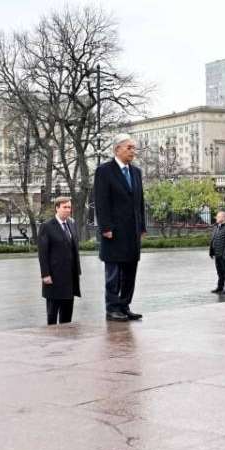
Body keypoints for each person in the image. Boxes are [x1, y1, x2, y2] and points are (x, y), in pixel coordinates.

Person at [93, 134, 146, 322]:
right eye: (129, 147)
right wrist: (105, 227)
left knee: (130, 271)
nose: (133, 151)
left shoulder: (136, 172)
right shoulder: (104, 171)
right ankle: (113, 308)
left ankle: (124, 306)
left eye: (134, 148)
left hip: (132, 233)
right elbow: (101, 202)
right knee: (114, 273)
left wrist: (142, 227)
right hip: (113, 232)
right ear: (117, 149)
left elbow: (140, 202)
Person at [37, 196, 82, 324]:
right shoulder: (47, 226)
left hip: (70, 278)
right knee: (52, 316)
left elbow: (74, 249)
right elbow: (42, 253)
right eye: (65, 207)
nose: (68, 210)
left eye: (69, 207)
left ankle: (66, 340)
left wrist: (77, 271)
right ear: (57, 208)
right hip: (54, 278)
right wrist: (45, 274)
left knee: (67, 317)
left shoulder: (71, 224)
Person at [208, 210, 225, 294]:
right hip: (217, 254)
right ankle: (220, 287)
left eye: (218, 216)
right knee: (219, 272)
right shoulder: (216, 227)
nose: (216, 218)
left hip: (223, 254)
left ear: (223, 218)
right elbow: (213, 240)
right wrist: (211, 252)